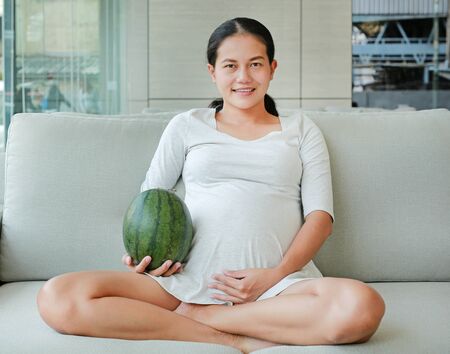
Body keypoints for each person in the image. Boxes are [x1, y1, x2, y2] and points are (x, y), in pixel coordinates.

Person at [37, 17, 385, 353]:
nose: (243, 77)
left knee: (362, 307)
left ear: (273, 68)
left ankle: (211, 316)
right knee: (58, 297)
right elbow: (149, 200)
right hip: (185, 282)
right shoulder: (186, 126)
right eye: (230, 65)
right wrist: (145, 256)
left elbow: (320, 218)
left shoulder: (301, 129)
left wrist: (272, 275)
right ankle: (229, 339)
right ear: (212, 72)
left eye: (255, 64)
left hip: (277, 288)